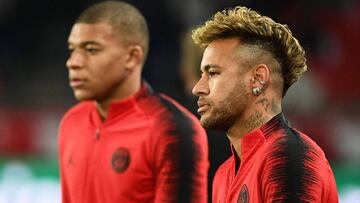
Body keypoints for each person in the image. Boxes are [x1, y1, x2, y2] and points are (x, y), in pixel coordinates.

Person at [58, 1, 209, 203]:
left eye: (91, 50)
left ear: (131, 57)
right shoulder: (71, 123)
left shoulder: (171, 129)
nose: (73, 62)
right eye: (72, 49)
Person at [191, 6, 338, 203]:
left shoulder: (286, 157)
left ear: (258, 79)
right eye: (202, 74)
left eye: (213, 73)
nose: (198, 88)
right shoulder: (224, 174)